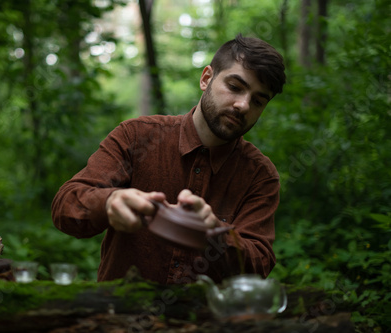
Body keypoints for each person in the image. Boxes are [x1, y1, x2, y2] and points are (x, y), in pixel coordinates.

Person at [52, 34, 286, 284]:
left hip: (207, 320)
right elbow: (65, 206)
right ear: (206, 78)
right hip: (118, 314)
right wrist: (109, 202)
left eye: (258, 101)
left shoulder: (260, 175)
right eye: (235, 87)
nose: (243, 105)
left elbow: (259, 265)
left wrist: (216, 235)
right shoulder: (136, 136)